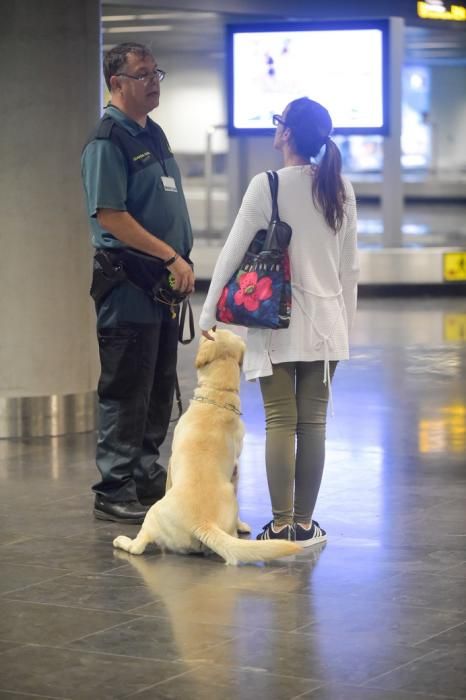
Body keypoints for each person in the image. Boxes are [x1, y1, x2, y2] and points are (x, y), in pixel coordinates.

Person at [199, 97, 358, 546]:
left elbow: (233, 252)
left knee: (279, 421)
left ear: (286, 134)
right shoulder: (340, 187)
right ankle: (306, 525)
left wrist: (209, 311)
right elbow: (351, 270)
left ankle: (281, 524)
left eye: (277, 122)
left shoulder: (266, 185)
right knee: (314, 423)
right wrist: (348, 328)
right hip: (329, 325)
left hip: (276, 322)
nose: (275, 128)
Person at [81, 42, 195, 524]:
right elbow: (112, 215)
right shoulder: (109, 139)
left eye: (156, 72)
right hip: (130, 282)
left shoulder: (156, 133)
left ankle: (146, 473)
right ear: (116, 83)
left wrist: (176, 261)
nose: (153, 81)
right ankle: (115, 485)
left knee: (158, 382)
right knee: (127, 385)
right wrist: (170, 254)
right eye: (142, 74)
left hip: (162, 286)